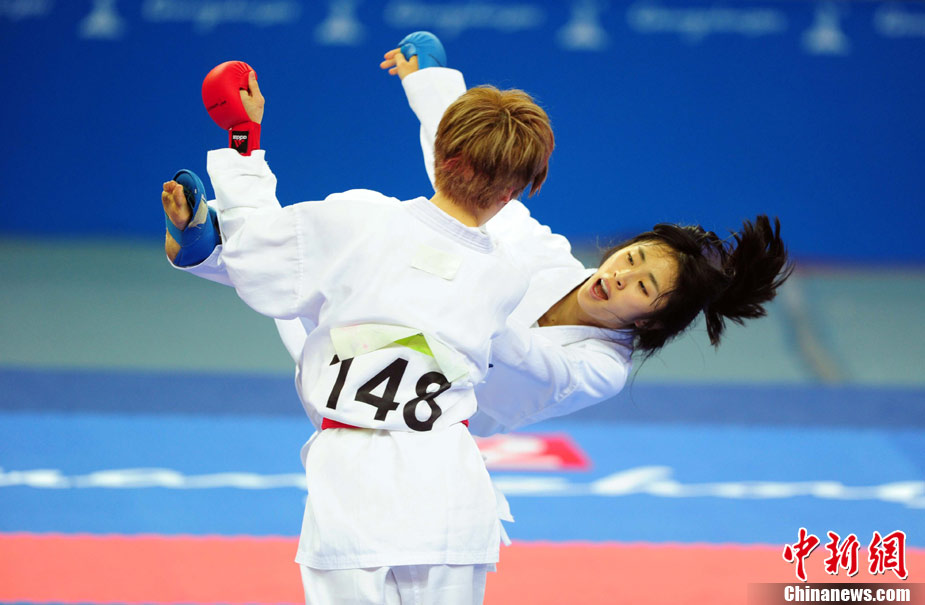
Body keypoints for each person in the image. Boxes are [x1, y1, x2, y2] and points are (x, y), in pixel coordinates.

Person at [164, 34, 791, 439]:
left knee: (369, 248)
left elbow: (511, 347)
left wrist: (452, 271)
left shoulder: (601, 368)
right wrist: (433, 84)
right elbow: (482, 181)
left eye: (644, 286)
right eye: (632, 257)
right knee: (358, 253)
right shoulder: (545, 258)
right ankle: (211, 243)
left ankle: (221, 238)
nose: (621, 275)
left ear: (654, 319)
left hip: (434, 428)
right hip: (355, 370)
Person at [165, 59, 555, 604]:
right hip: (452, 492)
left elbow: (260, 253)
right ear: (513, 194)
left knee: (322, 317)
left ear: (441, 154)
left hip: (352, 486)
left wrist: (242, 138)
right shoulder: (508, 276)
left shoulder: (360, 219)